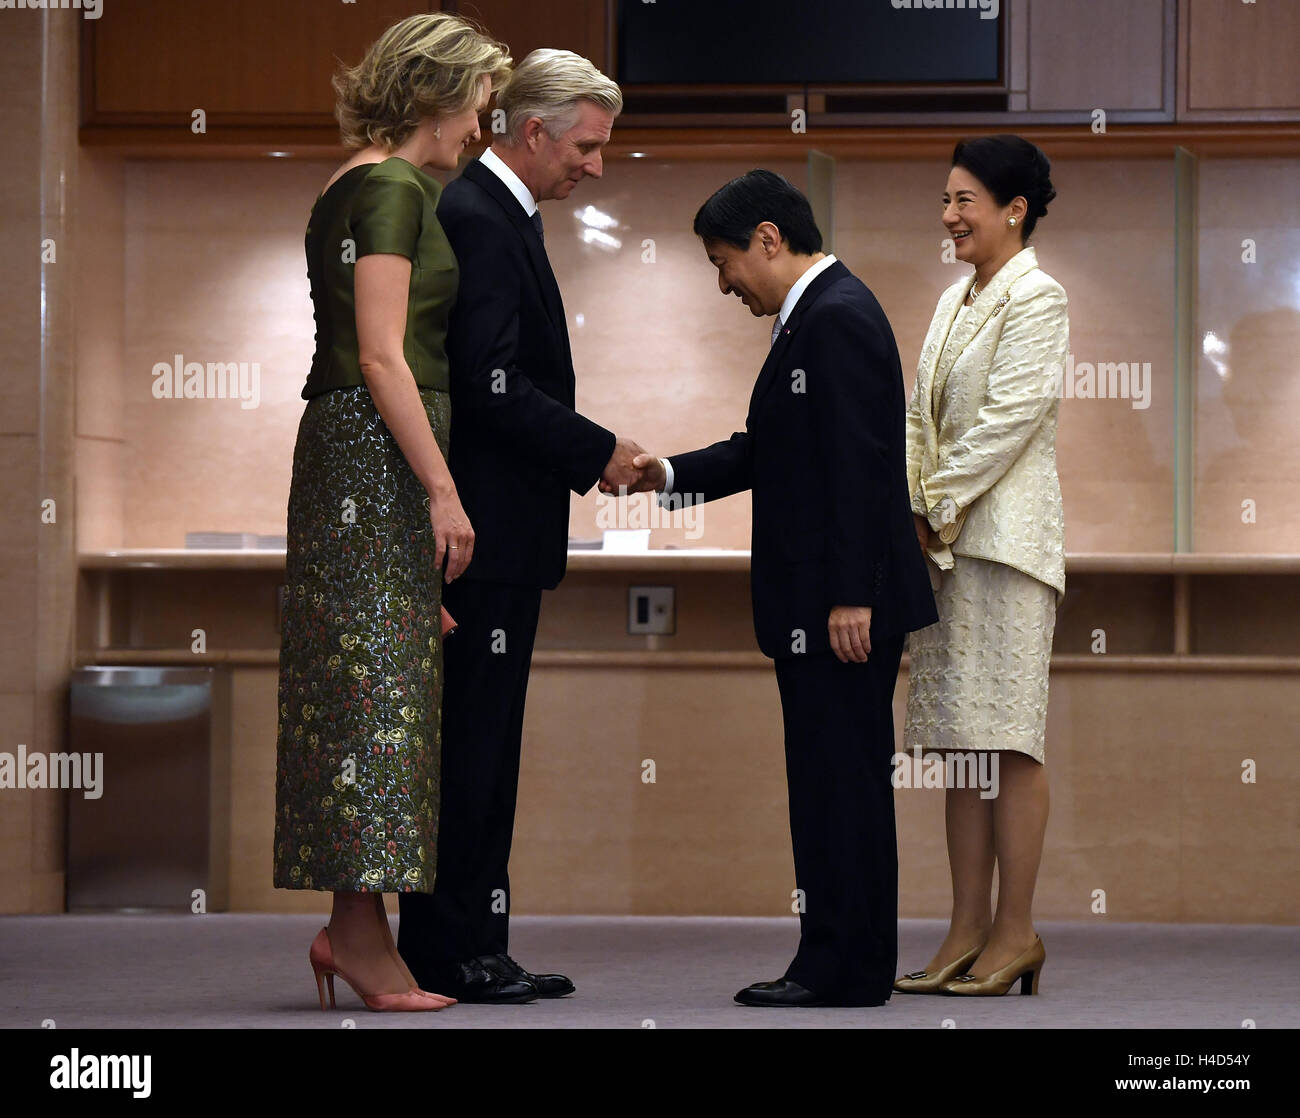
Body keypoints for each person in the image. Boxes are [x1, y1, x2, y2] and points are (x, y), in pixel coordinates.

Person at [624, 170, 937, 1007]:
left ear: (769, 238)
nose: (724, 282)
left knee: (841, 785)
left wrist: (850, 595)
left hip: (839, 608)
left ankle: (841, 966)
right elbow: (773, 451)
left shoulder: (833, 318)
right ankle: (843, 960)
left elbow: (861, 468)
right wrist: (667, 475)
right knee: (835, 782)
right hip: (827, 603)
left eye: (725, 261)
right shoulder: (819, 316)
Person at [272, 13, 511, 1012]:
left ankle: (355, 929)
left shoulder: (348, 181)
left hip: (353, 457)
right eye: (478, 107)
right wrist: (442, 493)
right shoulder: (394, 186)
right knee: (375, 705)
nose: (481, 130)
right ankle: (360, 938)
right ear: (432, 94)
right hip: (375, 458)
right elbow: (381, 355)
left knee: (364, 694)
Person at [396, 49, 643, 1003]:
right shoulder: (480, 217)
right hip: (485, 533)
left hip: (505, 533)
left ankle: (480, 943)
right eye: (586, 144)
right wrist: (597, 449)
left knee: (490, 753)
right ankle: (449, 949)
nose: (596, 162)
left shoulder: (505, 215)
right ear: (532, 132)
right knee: (470, 752)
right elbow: (493, 387)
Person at [894, 134, 1067, 997]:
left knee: (1008, 741)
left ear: (1014, 210)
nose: (950, 216)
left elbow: (1010, 418)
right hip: (947, 550)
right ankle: (965, 926)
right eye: (947, 199)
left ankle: (1017, 930)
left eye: (965, 200)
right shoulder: (953, 300)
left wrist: (937, 504)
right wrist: (917, 497)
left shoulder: (1040, 297)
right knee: (959, 747)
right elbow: (919, 418)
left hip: (1004, 547)